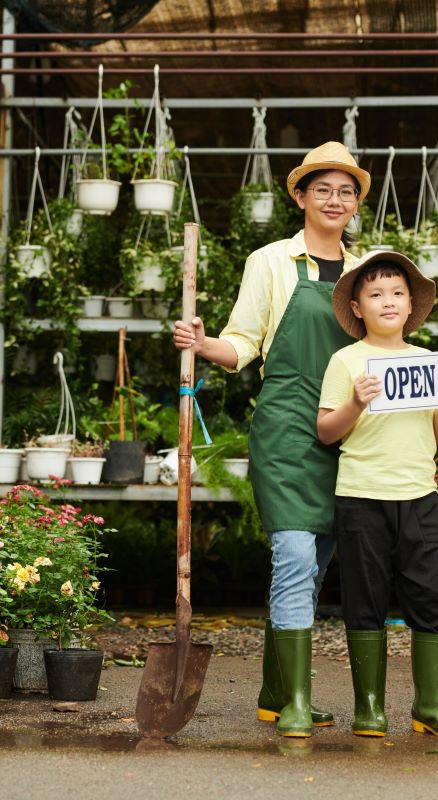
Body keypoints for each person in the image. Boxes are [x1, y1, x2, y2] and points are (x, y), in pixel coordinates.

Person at [172, 142, 370, 738]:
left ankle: (274, 691)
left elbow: (391, 344)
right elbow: (243, 342)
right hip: (287, 426)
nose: (335, 200)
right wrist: (204, 345)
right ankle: (297, 704)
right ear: (301, 196)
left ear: (357, 203)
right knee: (294, 558)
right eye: (323, 189)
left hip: (353, 426)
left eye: (347, 191)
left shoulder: (371, 268)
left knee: (315, 568)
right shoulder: (271, 261)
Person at [317, 250, 438, 740]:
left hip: (418, 495)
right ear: (358, 307)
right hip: (361, 495)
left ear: (411, 306)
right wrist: (357, 402)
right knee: (364, 599)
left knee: (432, 595)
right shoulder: (346, 361)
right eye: (376, 293)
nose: (388, 301)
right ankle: (369, 708)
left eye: (398, 293)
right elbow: (326, 432)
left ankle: (431, 704)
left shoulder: (427, 362)